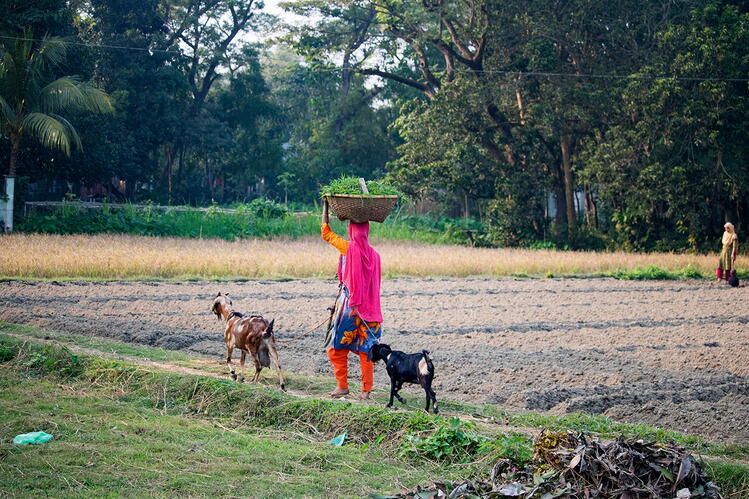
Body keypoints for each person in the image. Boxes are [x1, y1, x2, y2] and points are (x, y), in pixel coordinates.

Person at [321, 199, 382, 400]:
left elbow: (326, 233)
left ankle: (342, 386)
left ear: (351, 231)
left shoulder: (348, 248)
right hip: (371, 312)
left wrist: (326, 207)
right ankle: (366, 391)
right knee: (367, 352)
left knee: (337, 348)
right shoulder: (376, 255)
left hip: (350, 310)